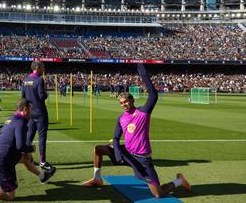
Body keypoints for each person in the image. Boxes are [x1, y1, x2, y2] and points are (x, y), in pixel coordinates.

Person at [81, 64, 191, 198]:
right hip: (126, 152)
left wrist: (143, 74)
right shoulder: (121, 118)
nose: (124, 105)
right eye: (121, 103)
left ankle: (179, 180)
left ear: (132, 100)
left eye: (126, 101)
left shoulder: (143, 112)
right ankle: (97, 178)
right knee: (98, 149)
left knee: (158, 194)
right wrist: (117, 152)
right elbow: (115, 138)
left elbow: (153, 95)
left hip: (142, 159)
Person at [0, 99, 56, 200]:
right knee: (9, 196)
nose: (32, 113)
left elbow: (17, 142)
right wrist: (31, 149)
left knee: (26, 159)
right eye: (31, 110)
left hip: (0, 153)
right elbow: (20, 146)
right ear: (25, 109)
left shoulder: (12, 118)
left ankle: (42, 177)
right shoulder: (21, 122)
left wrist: (27, 153)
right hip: (3, 160)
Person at [21, 61, 53, 170]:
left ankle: (26, 158)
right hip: (40, 112)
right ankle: (42, 161)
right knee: (42, 137)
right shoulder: (39, 80)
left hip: (30, 113)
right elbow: (42, 96)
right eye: (43, 67)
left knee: (29, 136)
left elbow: (23, 97)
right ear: (37, 67)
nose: (44, 69)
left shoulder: (25, 80)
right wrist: (46, 92)